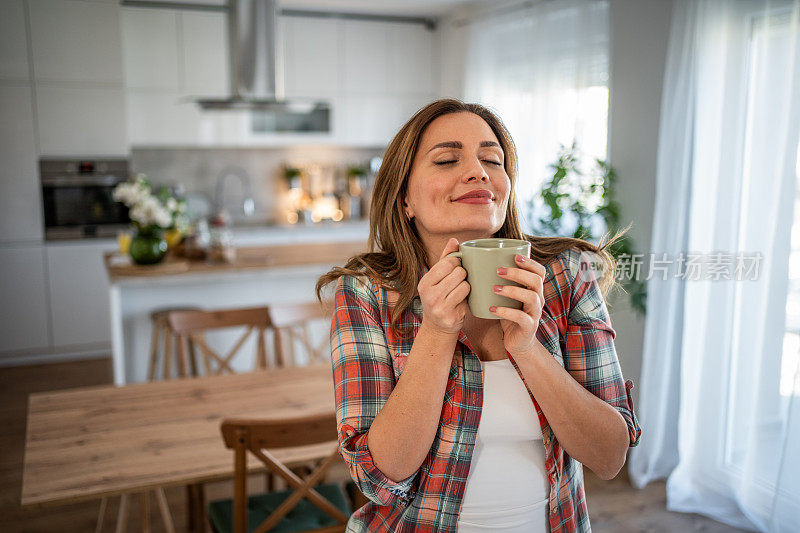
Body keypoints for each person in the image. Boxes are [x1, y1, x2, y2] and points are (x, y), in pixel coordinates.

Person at [316, 98, 641, 533]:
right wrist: (435, 331)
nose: (478, 171)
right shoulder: (365, 292)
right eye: (448, 159)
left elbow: (609, 457)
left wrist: (527, 349)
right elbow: (381, 476)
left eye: (492, 159)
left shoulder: (565, 274)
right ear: (405, 197)